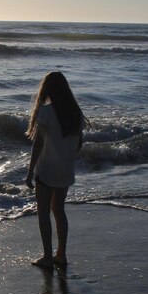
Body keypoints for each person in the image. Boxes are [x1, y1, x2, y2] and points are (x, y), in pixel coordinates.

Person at [25, 71, 88, 269]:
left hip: (47, 169)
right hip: (65, 169)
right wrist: (66, 157)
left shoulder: (46, 112)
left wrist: (30, 171)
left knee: (43, 212)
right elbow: (79, 143)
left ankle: (46, 256)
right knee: (59, 211)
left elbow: (38, 144)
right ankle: (61, 254)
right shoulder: (75, 112)